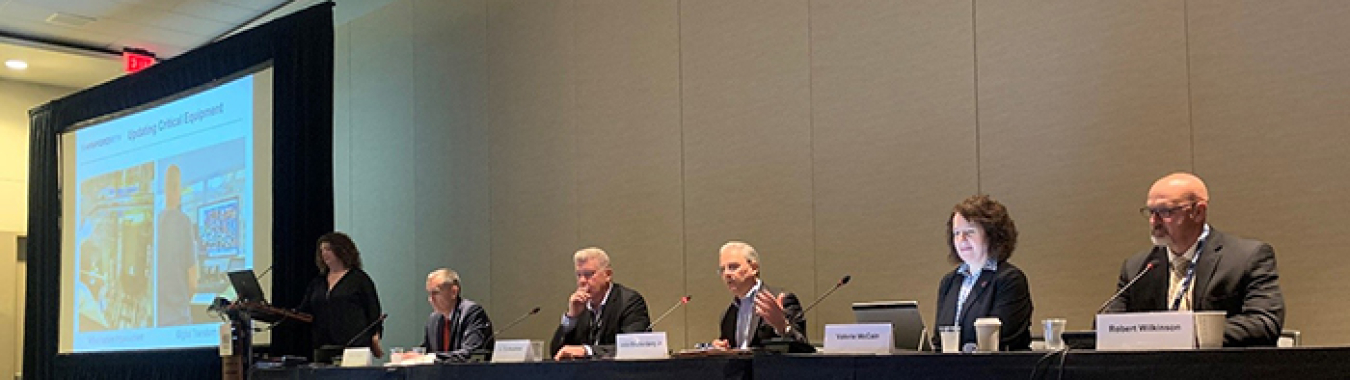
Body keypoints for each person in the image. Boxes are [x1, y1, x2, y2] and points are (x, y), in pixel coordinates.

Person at [1103, 172, 1284, 346]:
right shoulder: (1138, 267)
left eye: (1165, 212)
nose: (1154, 222)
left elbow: (1265, 322)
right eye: (1151, 212)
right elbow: (1106, 327)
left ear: (1198, 212)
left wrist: (1185, 334)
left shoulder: (1246, 258)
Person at [933, 195, 1033, 351]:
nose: (962, 239)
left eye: (969, 231)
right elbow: (939, 340)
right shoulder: (949, 282)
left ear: (993, 235)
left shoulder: (1010, 280)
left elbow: (1004, 338)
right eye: (957, 233)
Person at [551, 247, 651, 360]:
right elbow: (556, 353)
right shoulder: (580, 306)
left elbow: (634, 346)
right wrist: (571, 317)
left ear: (607, 275)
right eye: (579, 275)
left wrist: (587, 351)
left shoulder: (629, 302)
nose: (582, 281)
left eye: (589, 274)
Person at [297, 232, 385, 358]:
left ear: (342, 250)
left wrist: (375, 337)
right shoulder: (317, 282)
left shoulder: (359, 279)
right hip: (323, 348)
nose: (324, 253)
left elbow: (373, 311)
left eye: (328, 249)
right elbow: (304, 310)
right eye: (321, 250)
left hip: (355, 347)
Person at [711, 241, 807, 349]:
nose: (726, 274)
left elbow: (803, 348)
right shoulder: (727, 314)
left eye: (733, 267)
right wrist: (721, 350)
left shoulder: (781, 300)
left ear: (754, 268)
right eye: (722, 269)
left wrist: (782, 326)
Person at [155, 164, 199, 326]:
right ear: (177, 189)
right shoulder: (183, 222)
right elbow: (193, 283)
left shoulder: (154, 223)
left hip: (156, 320)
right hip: (178, 318)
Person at [421, 268, 494, 355]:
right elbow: (426, 352)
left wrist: (433, 358)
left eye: (435, 293)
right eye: (429, 294)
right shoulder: (433, 320)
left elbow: (470, 353)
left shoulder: (472, 313)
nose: (430, 299)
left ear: (454, 292)